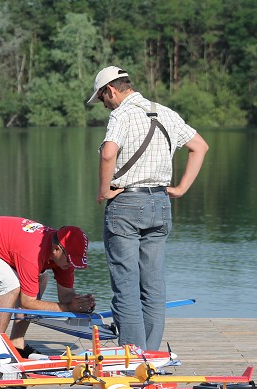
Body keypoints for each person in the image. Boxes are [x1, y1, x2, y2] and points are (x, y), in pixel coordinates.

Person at [87, 66, 208, 351]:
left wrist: (104, 191)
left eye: (103, 100)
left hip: (127, 204)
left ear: (111, 90)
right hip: (160, 203)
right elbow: (200, 147)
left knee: (126, 285)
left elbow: (108, 153)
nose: (105, 106)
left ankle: (132, 359)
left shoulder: (122, 114)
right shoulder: (166, 113)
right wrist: (180, 189)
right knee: (153, 285)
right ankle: (152, 357)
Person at [0, 216, 96, 356]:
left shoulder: (63, 257)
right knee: (9, 286)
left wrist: (81, 304)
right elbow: (28, 303)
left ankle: (16, 342)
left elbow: (66, 296)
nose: (72, 265)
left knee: (40, 278)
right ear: (56, 249)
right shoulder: (32, 253)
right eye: (71, 260)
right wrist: (68, 307)